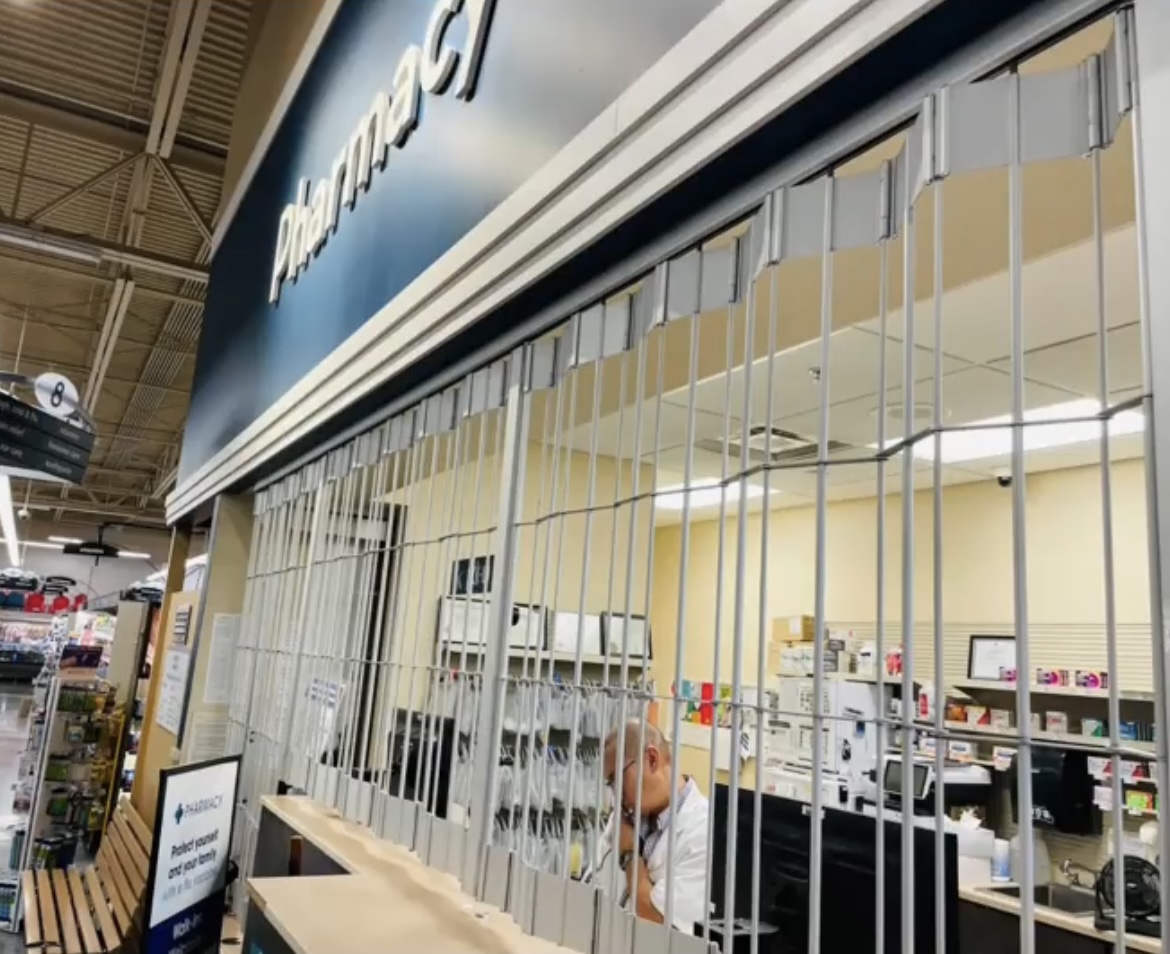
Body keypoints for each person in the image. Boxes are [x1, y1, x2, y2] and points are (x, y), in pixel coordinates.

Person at [592, 719, 710, 934]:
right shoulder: (626, 815)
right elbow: (595, 883)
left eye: (618, 779)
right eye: (611, 784)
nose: (616, 794)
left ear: (652, 759)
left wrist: (630, 855)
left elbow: (657, 920)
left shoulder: (703, 830)